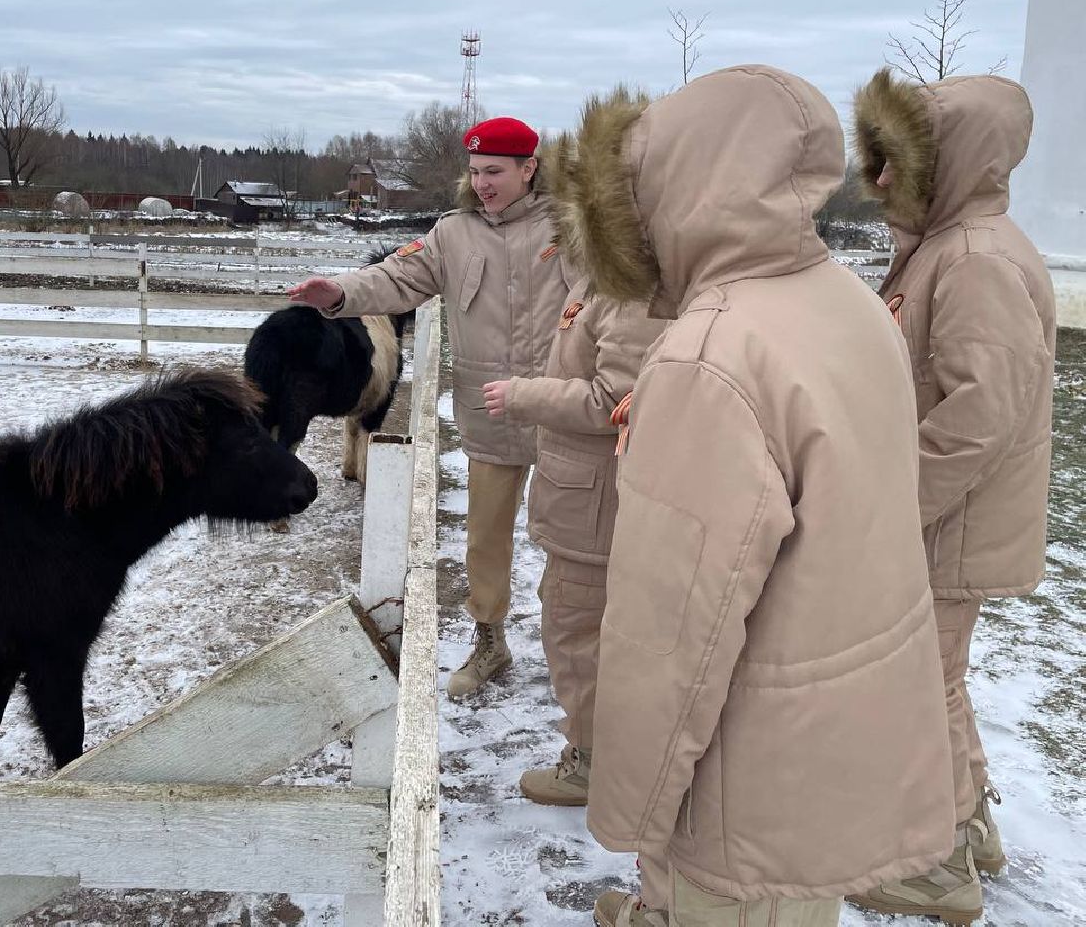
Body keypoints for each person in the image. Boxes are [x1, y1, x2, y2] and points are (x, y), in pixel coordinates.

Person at [554, 67, 955, 927]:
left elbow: (669, 636)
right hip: (828, 736)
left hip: (744, 773)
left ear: (669, 187)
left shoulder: (710, 356)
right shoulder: (842, 299)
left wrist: (630, 808)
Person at [845, 69, 1056, 925]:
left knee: (915, 690)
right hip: (942, 522)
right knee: (936, 682)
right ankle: (969, 827)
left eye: (896, 159)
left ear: (951, 160)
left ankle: (931, 867)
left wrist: (890, 512)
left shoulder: (973, 259)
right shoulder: (949, 243)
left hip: (943, 528)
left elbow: (978, 417)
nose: (881, 177)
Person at [289, 116, 570, 699]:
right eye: (475, 172)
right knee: (485, 538)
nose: (483, 183)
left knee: (570, 539)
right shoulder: (453, 233)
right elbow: (398, 278)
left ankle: (572, 650)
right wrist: (341, 293)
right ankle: (490, 640)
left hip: (565, 410)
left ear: (529, 168)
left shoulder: (571, 227)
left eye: (495, 171)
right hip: (489, 410)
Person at [481, 93, 665, 804]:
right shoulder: (602, 275)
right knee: (580, 628)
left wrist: (524, 394)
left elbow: (613, 400)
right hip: (582, 499)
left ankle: (594, 765)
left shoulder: (631, 289)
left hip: (595, 507)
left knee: (578, 634)